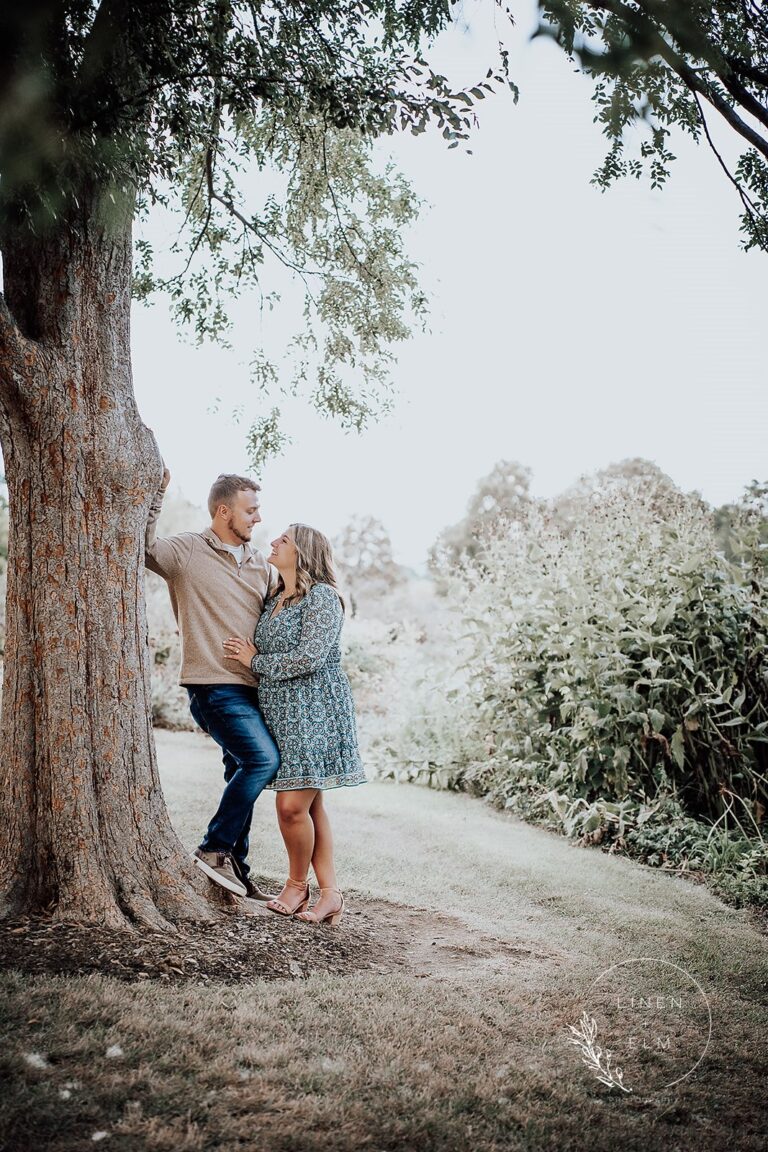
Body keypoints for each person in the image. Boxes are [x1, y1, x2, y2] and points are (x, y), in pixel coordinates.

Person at [145, 467, 280, 900]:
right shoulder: (187, 551)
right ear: (224, 512)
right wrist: (155, 495)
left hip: (254, 688)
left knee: (239, 770)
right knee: (262, 762)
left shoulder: (262, 565)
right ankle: (214, 848)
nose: (257, 518)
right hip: (212, 686)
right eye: (251, 510)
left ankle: (234, 870)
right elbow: (143, 547)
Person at [223, 523, 366, 925]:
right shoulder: (275, 598)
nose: (273, 541)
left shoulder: (323, 598)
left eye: (283, 539)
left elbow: (310, 658)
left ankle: (297, 886)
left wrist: (254, 662)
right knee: (310, 804)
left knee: (290, 806)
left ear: (303, 551)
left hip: (315, 713)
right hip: (281, 713)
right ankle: (330, 895)